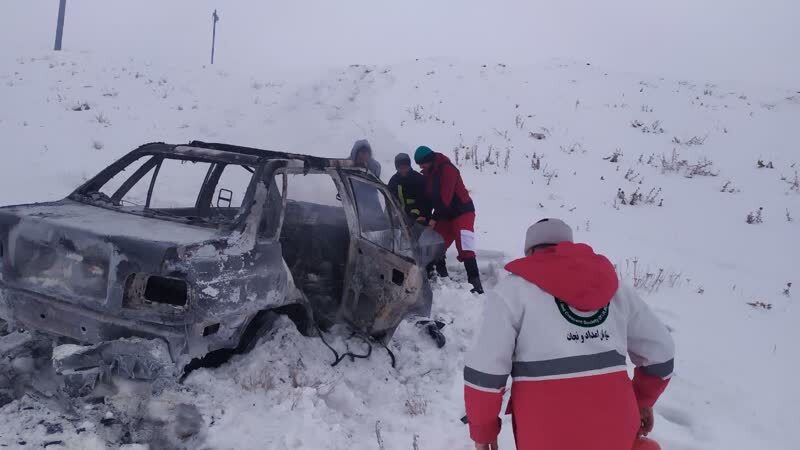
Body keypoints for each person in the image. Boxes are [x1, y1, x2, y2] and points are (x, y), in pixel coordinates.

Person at [463, 219, 675, 450]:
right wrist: (642, 400)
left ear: (531, 252)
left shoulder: (512, 292)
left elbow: (485, 370)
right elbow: (660, 351)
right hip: (617, 426)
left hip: (545, 433)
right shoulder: (613, 288)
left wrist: (483, 432)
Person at [414, 146, 482, 292]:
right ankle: (440, 277)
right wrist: (423, 216)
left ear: (429, 160)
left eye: (422, 163)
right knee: (436, 244)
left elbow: (446, 199)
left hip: (462, 212)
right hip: (445, 214)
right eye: (419, 164)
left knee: (465, 247)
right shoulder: (428, 174)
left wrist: (433, 219)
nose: (420, 166)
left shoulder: (448, 170)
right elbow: (427, 199)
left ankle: (476, 285)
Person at [387, 153, 431, 223]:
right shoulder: (394, 181)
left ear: (409, 166)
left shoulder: (418, 179)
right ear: (397, 168)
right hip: (401, 220)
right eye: (400, 168)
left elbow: (426, 201)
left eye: (405, 167)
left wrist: (418, 214)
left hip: (420, 219)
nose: (403, 170)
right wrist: (388, 215)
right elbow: (389, 200)